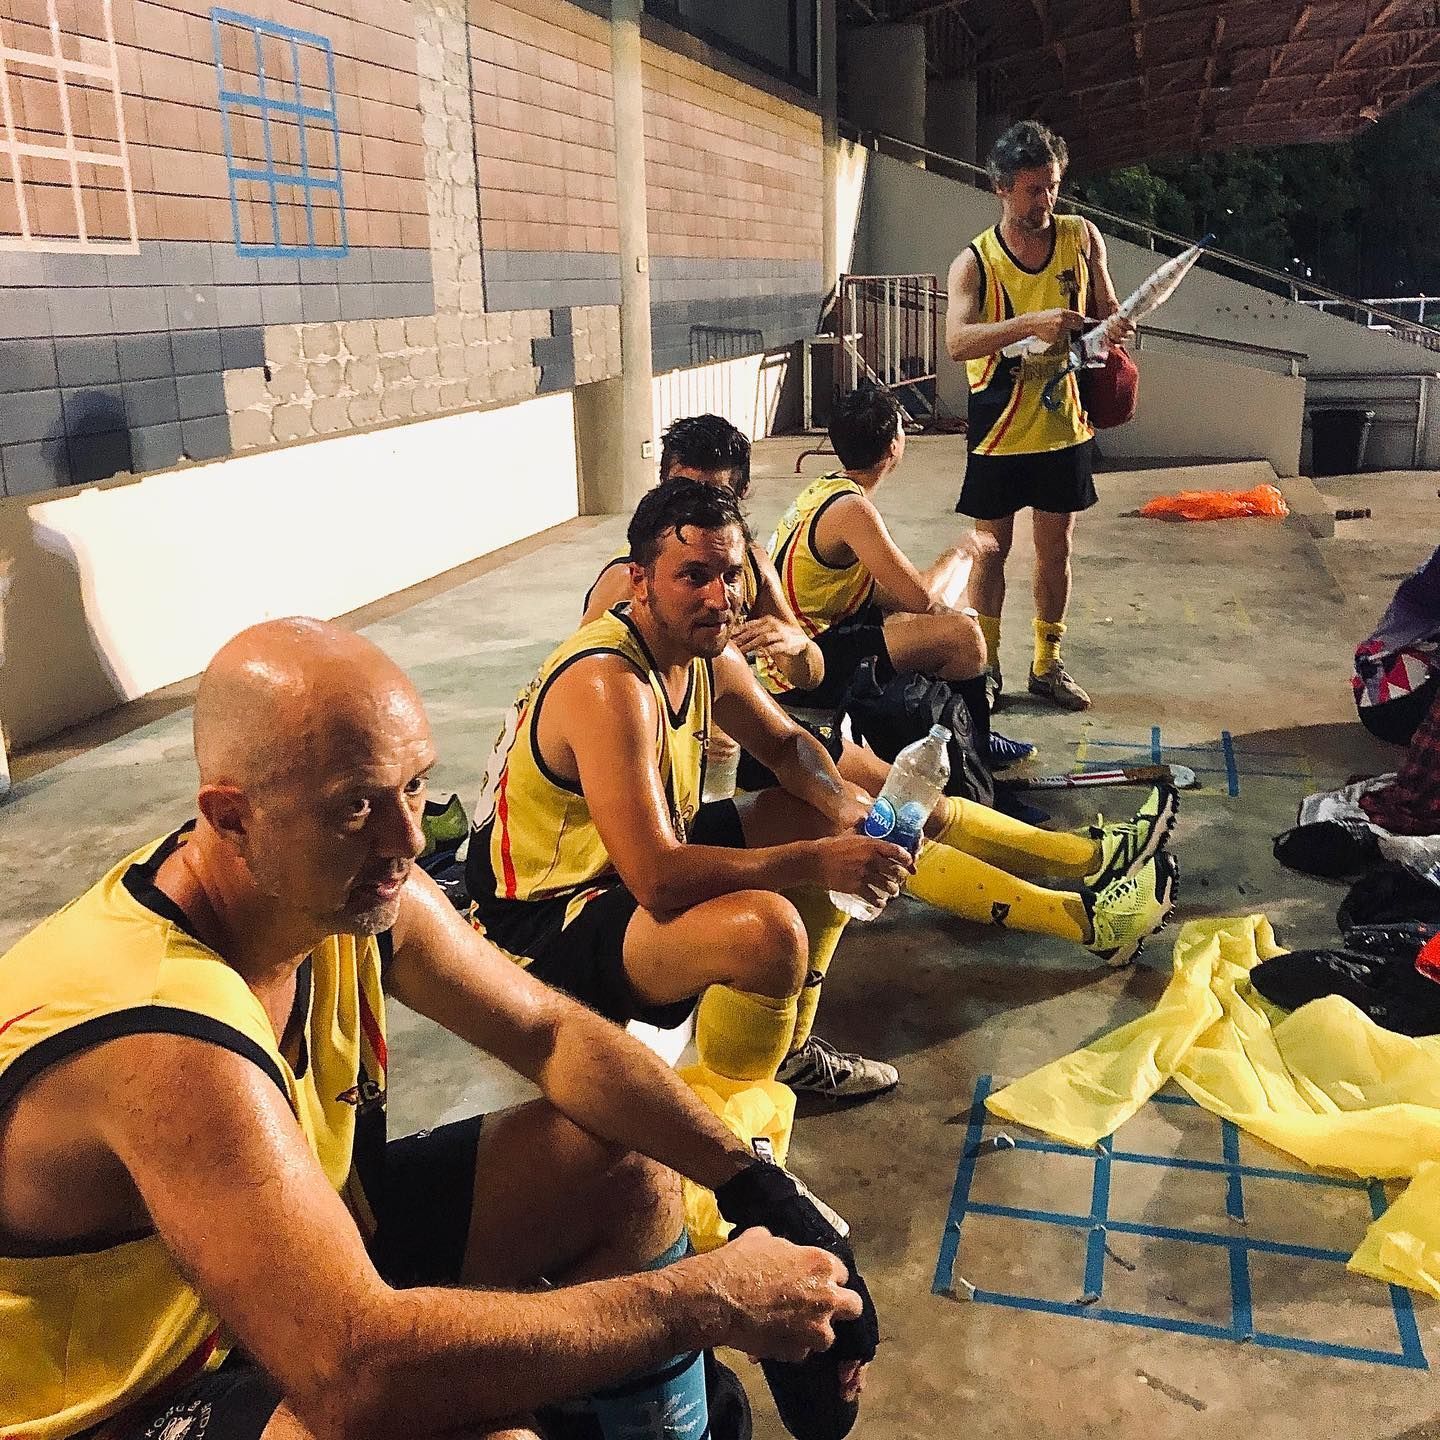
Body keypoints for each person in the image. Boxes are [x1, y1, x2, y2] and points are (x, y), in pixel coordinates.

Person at [0, 618, 878, 1440]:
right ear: (230, 816)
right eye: (356, 806)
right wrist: (707, 1301)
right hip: (124, 1398)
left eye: (415, 785)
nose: (410, 838)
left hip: (251, 1283)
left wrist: (754, 1185)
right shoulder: (169, 1038)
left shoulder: (335, 894)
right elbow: (353, 1371)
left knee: (629, 1172)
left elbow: (552, 1036)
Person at [467, 476, 914, 1101]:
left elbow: (785, 746)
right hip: (540, 916)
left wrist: (842, 806)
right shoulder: (609, 683)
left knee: (813, 815)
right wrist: (816, 863)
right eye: (694, 575)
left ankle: (781, 1051)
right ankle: (727, 1129)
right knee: (766, 934)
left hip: (623, 862)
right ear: (640, 581)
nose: (719, 597)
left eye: (731, 575)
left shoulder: (704, 652)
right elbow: (656, 878)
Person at [760, 385, 1179, 966]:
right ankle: (993, 792)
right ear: (897, 446)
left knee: (904, 799)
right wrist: (963, 551)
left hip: (810, 663)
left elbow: (885, 597)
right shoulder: (850, 507)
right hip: (815, 668)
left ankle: (1073, 857)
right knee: (953, 657)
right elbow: (916, 597)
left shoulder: (825, 496)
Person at [945, 119, 1132, 712]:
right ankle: (987, 666)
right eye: (1032, 189)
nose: (1045, 200)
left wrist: (1117, 325)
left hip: (1063, 425)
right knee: (990, 554)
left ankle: (1047, 665)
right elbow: (956, 342)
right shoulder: (974, 261)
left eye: (1051, 186)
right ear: (1001, 188)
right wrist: (1029, 323)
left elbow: (1107, 308)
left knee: (1057, 552)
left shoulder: (1082, 237)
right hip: (999, 425)